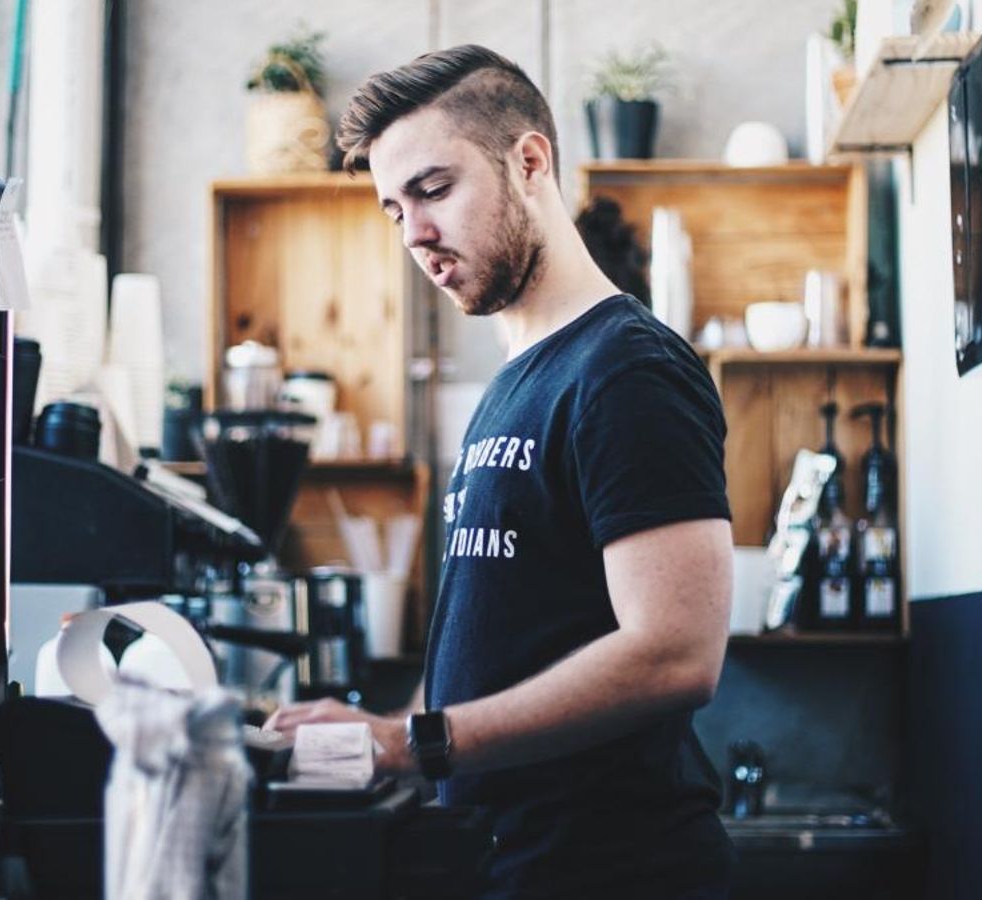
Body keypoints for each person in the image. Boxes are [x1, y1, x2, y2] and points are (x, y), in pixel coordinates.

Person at [263, 45, 734, 898]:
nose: (415, 235)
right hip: (513, 864)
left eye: (434, 190)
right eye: (392, 210)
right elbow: (493, 642)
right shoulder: (513, 385)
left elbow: (675, 654)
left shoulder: (625, 369)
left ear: (528, 163)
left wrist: (413, 740)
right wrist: (376, 737)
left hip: (617, 873)